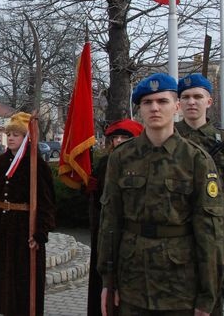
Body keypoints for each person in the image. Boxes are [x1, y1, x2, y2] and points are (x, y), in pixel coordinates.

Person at [98, 73, 224, 316]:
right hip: (131, 280)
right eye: (147, 103)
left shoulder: (196, 160)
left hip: (179, 286)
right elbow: (110, 221)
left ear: (176, 106)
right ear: (140, 109)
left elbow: (210, 232)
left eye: (162, 101)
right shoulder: (122, 157)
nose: (154, 108)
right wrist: (107, 280)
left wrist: (208, 296)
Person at [176, 74, 224, 316]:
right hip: (177, 236)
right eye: (185, 97)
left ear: (209, 101)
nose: (191, 102)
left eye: (198, 96)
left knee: (212, 302)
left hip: (218, 236)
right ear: (178, 103)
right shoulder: (169, 137)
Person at [0, 112, 56, 316]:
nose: (11, 138)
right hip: (1, 228)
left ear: (26, 138)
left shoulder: (36, 165)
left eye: (16, 135)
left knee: (23, 282)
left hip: (24, 230)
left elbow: (47, 203)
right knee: (1, 281)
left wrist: (40, 232)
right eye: (9, 134)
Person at [86, 118, 143, 316]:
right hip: (104, 231)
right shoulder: (105, 163)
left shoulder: (141, 163)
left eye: (124, 137)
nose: (119, 141)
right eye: (115, 138)